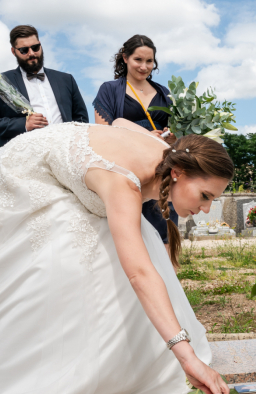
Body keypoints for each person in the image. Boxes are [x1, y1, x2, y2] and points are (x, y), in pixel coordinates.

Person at [0, 120, 233, 394]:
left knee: (128, 241)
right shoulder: (123, 184)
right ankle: (43, 357)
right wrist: (187, 358)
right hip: (27, 172)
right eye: (205, 196)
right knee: (70, 253)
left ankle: (124, 357)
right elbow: (139, 274)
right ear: (176, 173)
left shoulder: (166, 149)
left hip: (75, 169)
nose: (206, 208)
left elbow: (122, 120)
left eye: (213, 199)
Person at [93, 35, 179, 248]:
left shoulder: (164, 93)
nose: (144, 66)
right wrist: (144, 135)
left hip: (160, 170)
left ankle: (169, 279)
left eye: (149, 61)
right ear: (125, 58)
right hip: (126, 170)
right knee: (128, 237)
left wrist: (173, 135)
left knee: (164, 234)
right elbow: (102, 134)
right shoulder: (110, 90)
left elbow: (175, 130)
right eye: (138, 60)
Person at [0, 25, 89, 148]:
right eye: (24, 50)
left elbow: (81, 119)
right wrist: (23, 124)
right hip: (22, 156)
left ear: (40, 45)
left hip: (65, 152)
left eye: (35, 48)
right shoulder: (0, 82)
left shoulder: (66, 79)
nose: (32, 53)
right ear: (14, 51)